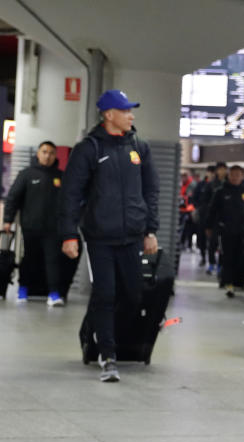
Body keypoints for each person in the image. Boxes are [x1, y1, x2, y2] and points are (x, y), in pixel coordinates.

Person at [61, 90, 159, 382]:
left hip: (132, 236)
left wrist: (150, 230)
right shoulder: (88, 149)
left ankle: (92, 330)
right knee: (105, 293)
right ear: (108, 115)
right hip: (99, 237)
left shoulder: (139, 147)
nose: (132, 115)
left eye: (131, 110)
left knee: (132, 293)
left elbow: (151, 192)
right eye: (126, 110)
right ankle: (108, 355)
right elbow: (70, 195)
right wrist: (69, 234)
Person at [4, 140, 67, 306]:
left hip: (53, 228)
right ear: (38, 154)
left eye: (51, 153)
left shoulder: (60, 177)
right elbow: (13, 198)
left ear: (55, 156)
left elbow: (69, 202)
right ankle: (23, 289)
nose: (47, 156)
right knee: (29, 259)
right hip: (31, 227)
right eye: (44, 152)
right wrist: (7, 220)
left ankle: (54, 294)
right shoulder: (26, 174)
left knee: (53, 260)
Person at [207, 165, 244, 298]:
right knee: (227, 258)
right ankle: (228, 283)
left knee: (242, 257)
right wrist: (209, 227)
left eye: (238, 175)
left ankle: (239, 282)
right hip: (226, 231)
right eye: (233, 175)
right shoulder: (221, 191)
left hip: (243, 232)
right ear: (228, 175)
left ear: (242, 176)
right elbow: (212, 211)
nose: (235, 177)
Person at [191, 165, 216, 264]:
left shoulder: (216, 185)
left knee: (213, 240)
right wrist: (199, 207)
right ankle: (203, 256)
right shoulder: (201, 185)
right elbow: (194, 198)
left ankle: (212, 260)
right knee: (201, 237)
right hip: (203, 215)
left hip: (214, 216)